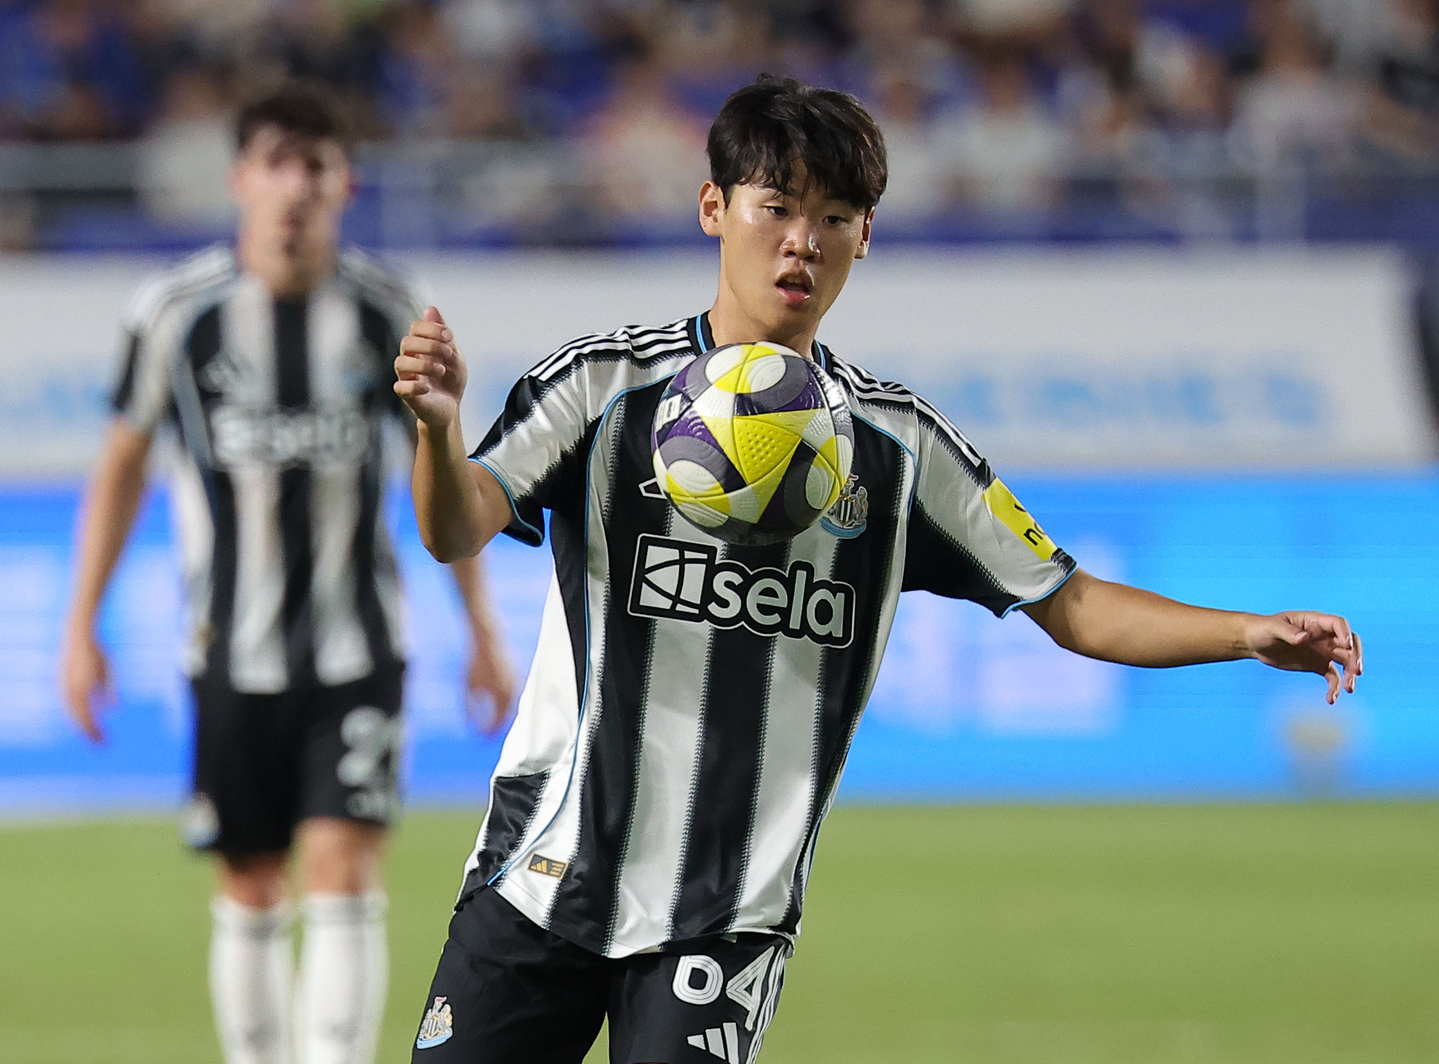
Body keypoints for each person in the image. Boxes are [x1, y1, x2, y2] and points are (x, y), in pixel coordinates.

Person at [393, 74, 1363, 1064]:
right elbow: (454, 525)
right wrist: (436, 428)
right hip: (539, 877)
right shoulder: (604, 385)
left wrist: (1246, 631)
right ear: (712, 208)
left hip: (723, 915)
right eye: (774, 207)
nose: (800, 241)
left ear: (865, 237)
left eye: (834, 216)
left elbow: (1066, 602)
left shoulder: (898, 447)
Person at [58, 82, 517, 1064]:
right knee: (253, 881)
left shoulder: (387, 309)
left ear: (344, 183)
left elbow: (439, 476)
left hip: (359, 641)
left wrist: (480, 626)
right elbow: (122, 466)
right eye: (275, 162)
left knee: (342, 864)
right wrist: (78, 623)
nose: (294, 186)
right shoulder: (177, 315)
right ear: (238, 180)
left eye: (315, 165)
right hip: (227, 646)